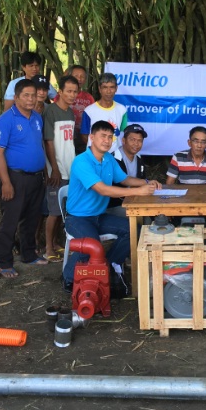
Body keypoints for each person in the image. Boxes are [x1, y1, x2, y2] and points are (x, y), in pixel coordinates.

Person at [63, 120, 161, 296]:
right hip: (77, 218)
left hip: (99, 215)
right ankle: (69, 278)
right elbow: (102, 189)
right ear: (92, 137)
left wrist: (147, 182)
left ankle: (106, 266)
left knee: (135, 231)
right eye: (103, 136)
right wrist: (139, 191)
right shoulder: (81, 161)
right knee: (92, 245)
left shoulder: (108, 159)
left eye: (110, 137)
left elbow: (124, 179)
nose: (107, 141)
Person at [0, 78, 49, 276]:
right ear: (16, 97)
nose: (31, 99)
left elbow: (38, 145)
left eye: (33, 95)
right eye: (26, 95)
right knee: (11, 220)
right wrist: (6, 182)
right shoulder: (6, 120)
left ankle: (29, 254)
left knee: (31, 219)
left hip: (36, 177)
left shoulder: (36, 117)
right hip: (15, 178)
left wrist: (45, 171)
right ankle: (5, 261)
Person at [43, 75, 79, 261]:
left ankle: (56, 243)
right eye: (69, 91)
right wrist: (54, 169)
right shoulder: (51, 112)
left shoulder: (70, 113)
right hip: (56, 170)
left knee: (63, 209)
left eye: (75, 91)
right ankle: (48, 247)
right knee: (54, 212)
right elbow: (49, 142)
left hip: (70, 167)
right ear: (60, 92)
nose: (72, 95)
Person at [107, 123, 150, 215]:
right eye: (132, 139)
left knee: (151, 216)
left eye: (140, 140)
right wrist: (147, 182)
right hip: (116, 205)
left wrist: (148, 183)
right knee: (142, 217)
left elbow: (141, 181)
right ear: (123, 140)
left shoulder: (139, 158)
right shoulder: (112, 158)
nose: (136, 143)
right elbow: (123, 181)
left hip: (136, 202)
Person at [81, 72, 127, 154]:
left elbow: (122, 133)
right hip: (94, 156)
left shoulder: (122, 110)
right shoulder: (89, 111)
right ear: (100, 89)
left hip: (115, 156)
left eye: (112, 87)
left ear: (116, 88)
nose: (108, 91)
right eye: (105, 87)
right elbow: (84, 136)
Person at [67, 65, 95, 153]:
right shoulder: (61, 96)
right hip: (66, 137)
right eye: (76, 76)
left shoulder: (89, 97)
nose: (79, 79)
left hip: (84, 137)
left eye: (82, 76)